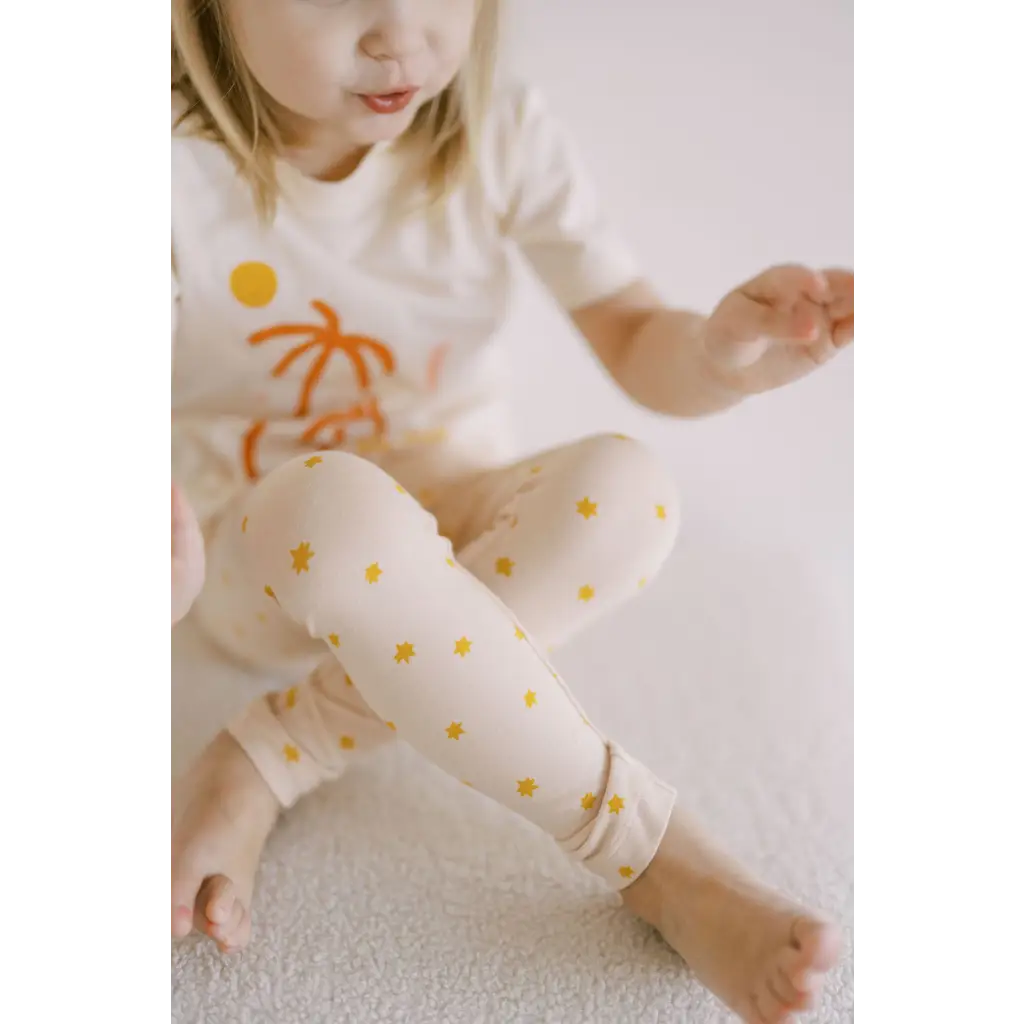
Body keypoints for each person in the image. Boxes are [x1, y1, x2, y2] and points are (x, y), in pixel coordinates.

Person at [168, 2, 854, 1020]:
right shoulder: (162, 172)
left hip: (450, 505)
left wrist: (718, 358)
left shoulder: (498, 129)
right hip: (263, 550)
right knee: (339, 511)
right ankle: (655, 855)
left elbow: (633, 336)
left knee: (629, 490)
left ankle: (278, 747)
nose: (399, 35)